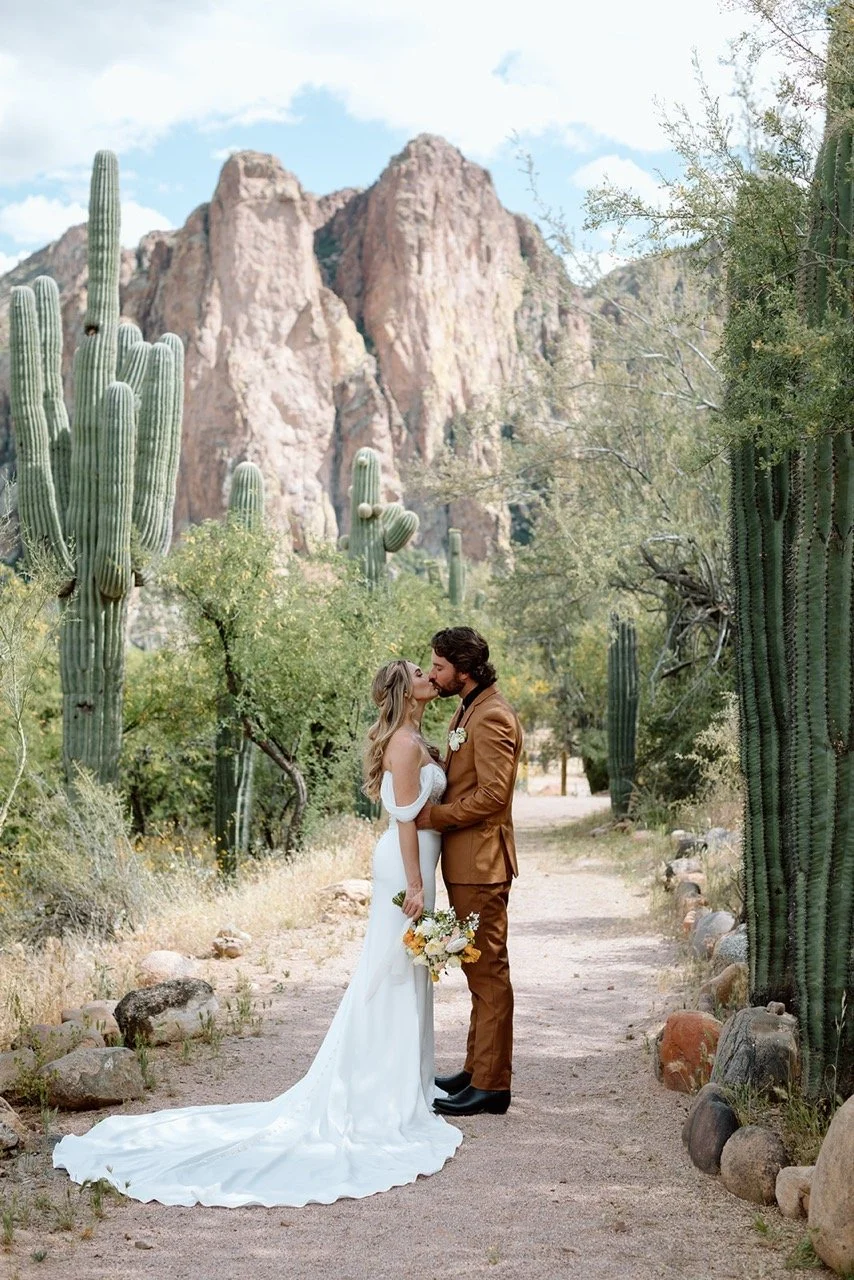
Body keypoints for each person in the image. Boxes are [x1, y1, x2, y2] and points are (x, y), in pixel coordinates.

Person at [52, 660, 461, 1208]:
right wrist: (414, 884)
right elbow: (408, 821)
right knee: (389, 972)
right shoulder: (406, 745)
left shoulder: (418, 737)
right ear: (400, 690)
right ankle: (381, 1091)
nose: (426, 675)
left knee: (406, 970)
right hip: (404, 869)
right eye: (417, 672)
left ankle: (407, 1080)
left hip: (417, 867)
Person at [416, 626, 523, 1117]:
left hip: (482, 863)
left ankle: (493, 1085)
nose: (433, 674)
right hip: (465, 863)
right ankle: (475, 1070)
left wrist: (434, 816)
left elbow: (493, 796)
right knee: (476, 970)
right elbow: (467, 776)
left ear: (465, 668)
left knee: (489, 973)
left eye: (439, 667)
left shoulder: (494, 715)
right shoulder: (468, 707)